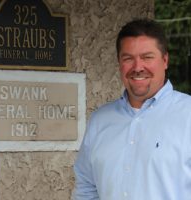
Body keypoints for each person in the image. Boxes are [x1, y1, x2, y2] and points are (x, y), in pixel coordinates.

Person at [73, 18, 191, 199]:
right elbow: (86, 189)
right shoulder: (99, 121)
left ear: (165, 60)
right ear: (119, 63)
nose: (137, 67)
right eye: (128, 58)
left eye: (147, 57)